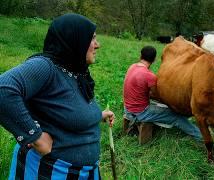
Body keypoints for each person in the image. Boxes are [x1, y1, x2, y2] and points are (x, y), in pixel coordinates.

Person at [0, 13, 115, 179]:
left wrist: (99, 115)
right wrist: (35, 136)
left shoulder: (76, 71)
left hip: (84, 172)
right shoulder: (46, 67)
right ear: (74, 39)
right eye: (92, 39)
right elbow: (3, 89)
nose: (98, 45)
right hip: (49, 171)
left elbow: (67, 111)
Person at [123, 46, 202, 141]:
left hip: (127, 109)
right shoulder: (149, 76)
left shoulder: (132, 67)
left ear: (140, 56)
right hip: (141, 113)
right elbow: (157, 96)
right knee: (177, 117)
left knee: (159, 107)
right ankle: (201, 137)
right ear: (154, 59)